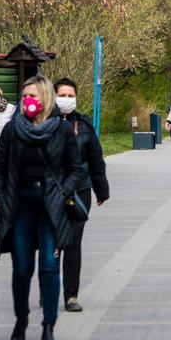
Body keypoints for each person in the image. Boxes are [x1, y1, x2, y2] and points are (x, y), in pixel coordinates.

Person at [0, 75, 83, 340]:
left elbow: (75, 168)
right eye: (24, 97)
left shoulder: (61, 130)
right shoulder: (12, 129)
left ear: (45, 98)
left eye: (33, 96)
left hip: (50, 205)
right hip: (20, 203)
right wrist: (0, 196)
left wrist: (63, 192)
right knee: (21, 268)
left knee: (49, 265)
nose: (27, 101)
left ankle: (48, 325)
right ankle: (21, 319)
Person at [54, 78, 110, 312]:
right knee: (52, 242)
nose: (66, 99)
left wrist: (101, 189)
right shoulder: (45, 123)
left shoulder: (84, 125)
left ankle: (71, 296)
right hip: (53, 191)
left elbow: (95, 158)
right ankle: (49, 288)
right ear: (54, 96)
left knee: (73, 242)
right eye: (62, 95)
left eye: (70, 96)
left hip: (80, 190)